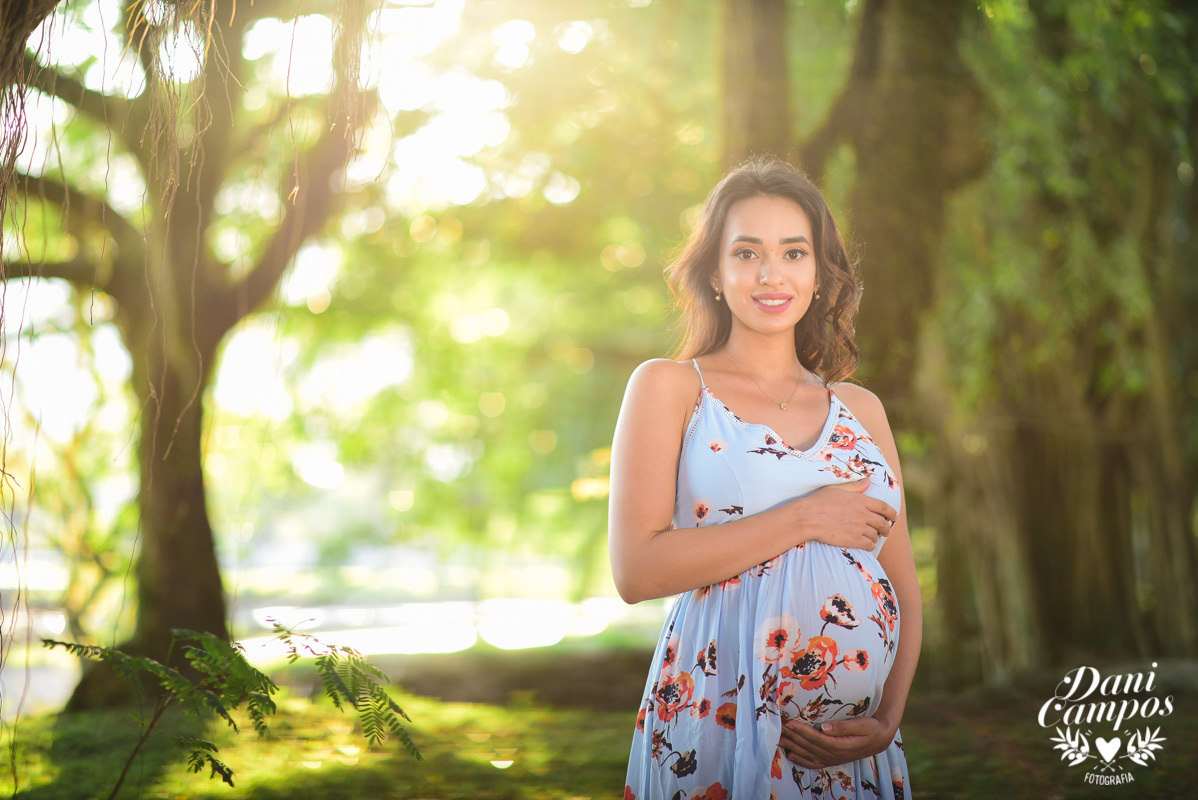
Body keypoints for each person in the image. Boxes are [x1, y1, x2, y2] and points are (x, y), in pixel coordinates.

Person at [608, 157, 921, 799]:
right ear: (715, 275)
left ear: (818, 273)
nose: (771, 275)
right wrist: (805, 517)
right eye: (747, 252)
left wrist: (888, 718)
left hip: (851, 752)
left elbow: (904, 587)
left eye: (793, 253)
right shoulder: (670, 388)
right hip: (713, 717)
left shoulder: (862, 410)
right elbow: (636, 570)